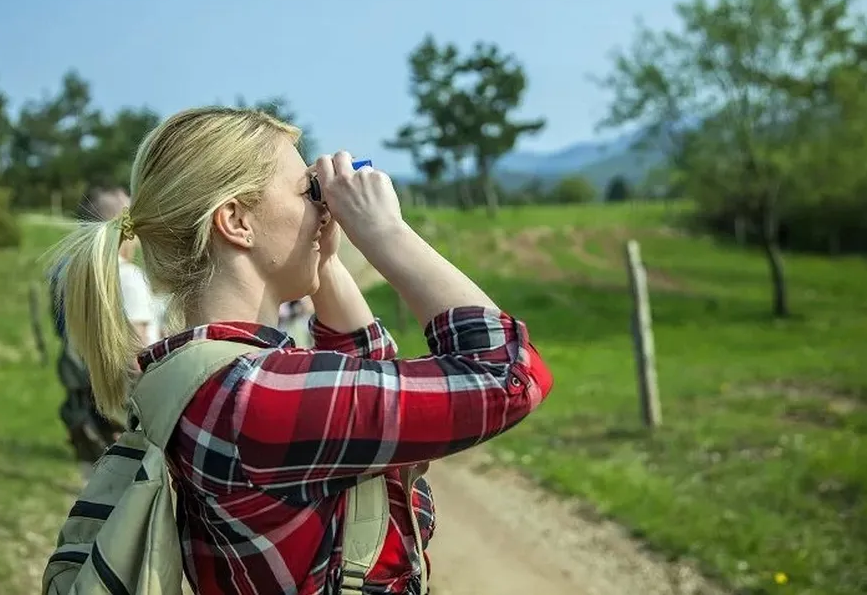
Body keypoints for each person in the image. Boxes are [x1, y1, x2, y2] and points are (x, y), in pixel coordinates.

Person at [53, 106, 554, 594]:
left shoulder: (200, 378)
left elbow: (369, 382)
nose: (324, 206)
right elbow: (508, 374)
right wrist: (386, 233)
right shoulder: (253, 395)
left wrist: (323, 251)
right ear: (235, 220)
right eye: (308, 192)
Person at [49, 185, 160, 468]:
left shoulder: (66, 275)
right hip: (124, 412)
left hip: (85, 404)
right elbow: (137, 358)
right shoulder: (129, 278)